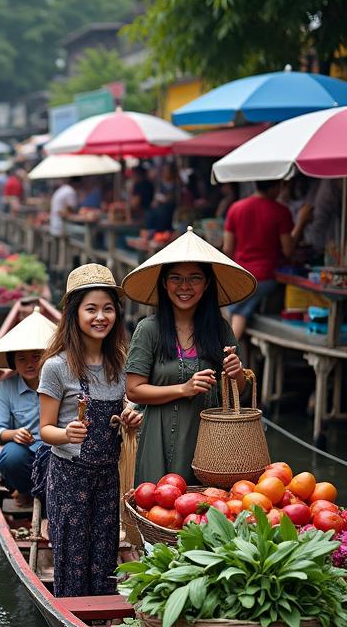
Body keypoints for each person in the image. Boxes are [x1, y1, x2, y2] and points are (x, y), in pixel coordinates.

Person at [38, 264, 141, 597]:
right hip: (69, 475)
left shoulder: (121, 364)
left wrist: (129, 417)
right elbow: (45, 431)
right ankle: (74, 615)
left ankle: (101, 616)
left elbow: (127, 405)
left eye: (108, 309)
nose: (101, 317)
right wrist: (66, 434)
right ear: (74, 314)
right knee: (72, 554)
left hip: (108, 475)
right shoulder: (56, 367)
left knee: (104, 551)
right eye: (91, 309)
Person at [123, 227, 255, 486]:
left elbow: (236, 394)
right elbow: (134, 391)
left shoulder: (220, 329)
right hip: (158, 437)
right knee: (159, 509)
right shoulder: (148, 330)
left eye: (195, 278)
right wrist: (184, 388)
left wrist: (236, 373)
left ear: (206, 284)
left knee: (206, 513)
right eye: (176, 278)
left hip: (210, 440)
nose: (185, 287)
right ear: (164, 283)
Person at [0, 307, 56, 501]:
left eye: (36, 357)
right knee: (11, 456)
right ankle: (25, 491)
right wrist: (15, 434)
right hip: (27, 454)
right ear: (13, 362)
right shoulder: (6, 387)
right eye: (22, 359)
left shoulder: (59, 382)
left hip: (57, 448)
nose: (30, 364)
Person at [222, 180, 297, 338]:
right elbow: (288, 250)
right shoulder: (281, 211)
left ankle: (223, 354)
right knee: (239, 311)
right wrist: (302, 222)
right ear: (276, 187)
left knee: (236, 311)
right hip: (266, 277)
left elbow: (227, 248)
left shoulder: (236, 208)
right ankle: (225, 355)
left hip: (241, 275)